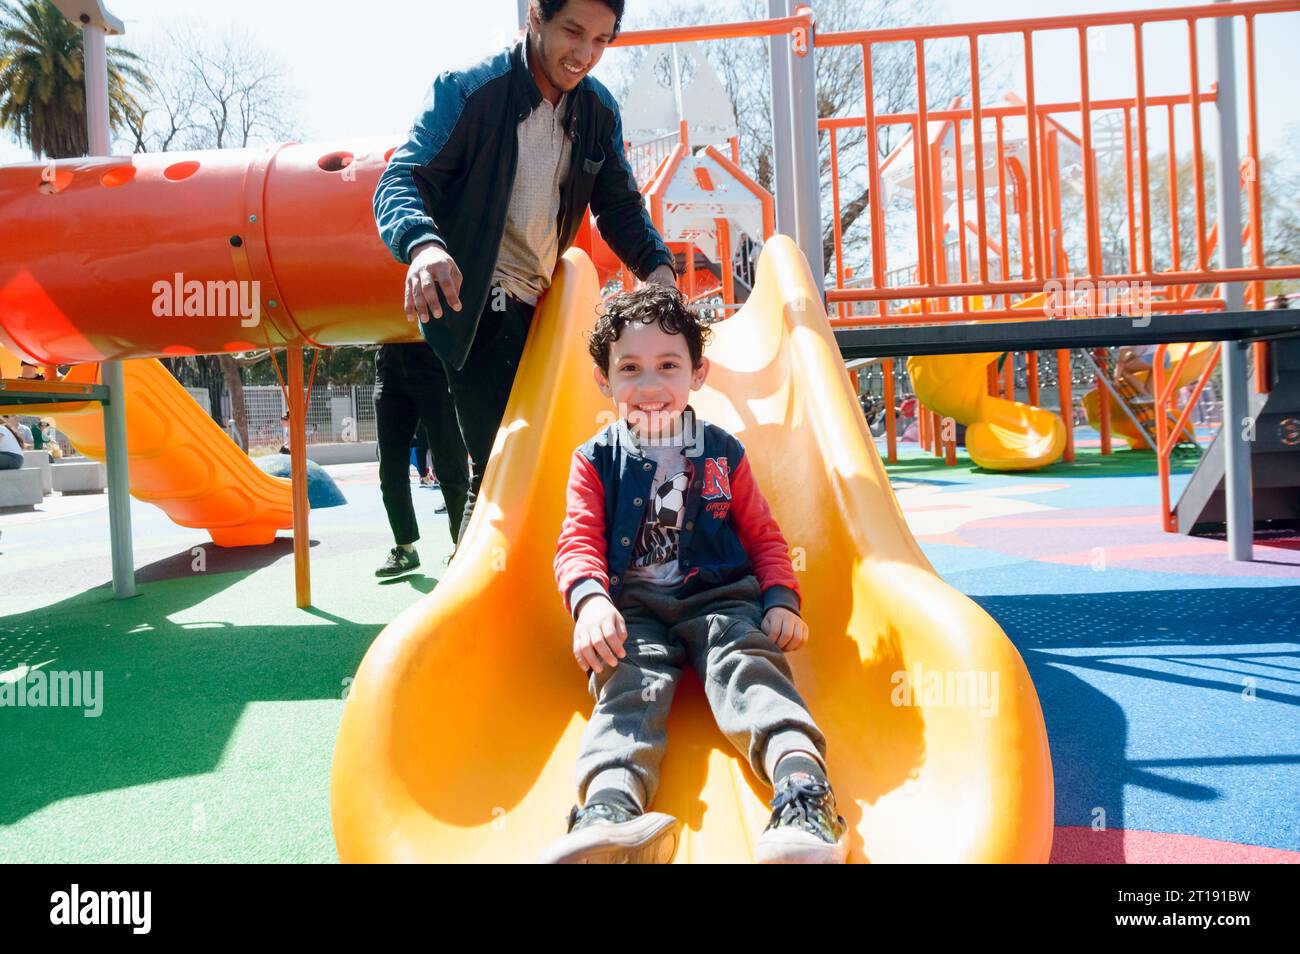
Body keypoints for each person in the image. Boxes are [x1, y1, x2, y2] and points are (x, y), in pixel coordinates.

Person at [543, 285, 847, 864]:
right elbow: (577, 539)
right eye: (629, 368)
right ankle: (610, 809)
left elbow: (762, 533)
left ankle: (805, 793)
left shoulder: (722, 453)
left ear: (697, 372)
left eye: (668, 365)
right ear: (604, 381)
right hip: (633, 611)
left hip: (718, 603)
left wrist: (781, 597)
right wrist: (589, 602)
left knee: (747, 667)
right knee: (626, 685)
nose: (650, 385)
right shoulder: (594, 458)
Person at [374, 0, 677, 548]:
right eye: (573, 32)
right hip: (477, 301)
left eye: (603, 40)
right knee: (502, 469)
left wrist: (658, 270)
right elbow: (401, 177)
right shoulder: (470, 91)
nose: (585, 54)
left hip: (543, 308)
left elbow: (620, 207)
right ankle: (471, 616)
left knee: (525, 473)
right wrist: (422, 245)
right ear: (536, 15)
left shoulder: (597, 111)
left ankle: (523, 595)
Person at [373, 343, 469, 576]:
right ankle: (404, 547)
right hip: (390, 362)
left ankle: (463, 550)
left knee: (451, 465)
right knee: (390, 468)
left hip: (435, 359)